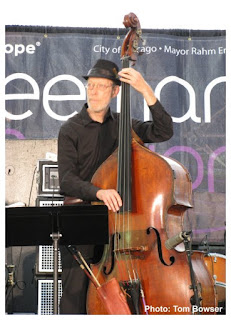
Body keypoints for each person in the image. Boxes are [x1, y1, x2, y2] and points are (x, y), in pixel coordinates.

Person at [57, 59, 173, 314]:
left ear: (115, 91)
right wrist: (99, 191)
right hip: (84, 220)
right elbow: (66, 179)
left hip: (124, 225)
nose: (95, 91)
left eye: (102, 86)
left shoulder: (126, 126)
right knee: (74, 298)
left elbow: (164, 131)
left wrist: (145, 90)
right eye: (91, 86)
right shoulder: (70, 129)